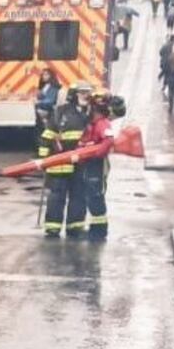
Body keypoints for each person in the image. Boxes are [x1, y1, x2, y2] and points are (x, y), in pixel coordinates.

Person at [38, 82, 91, 239]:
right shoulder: (60, 112)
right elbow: (48, 135)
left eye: (87, 92)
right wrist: (43, 159)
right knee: (57, 196)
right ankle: (52, 228)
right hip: (59, 163)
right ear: (73, 95)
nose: (86, 96)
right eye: (82, 92)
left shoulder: (92, 113)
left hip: (81, 164)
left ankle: (75, 227)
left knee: (79, 196)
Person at [77, 91, 116, 241]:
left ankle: (99, 231)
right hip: (91, 164)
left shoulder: (102, 123)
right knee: (91, 196)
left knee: (96, 196)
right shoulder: (94, 124)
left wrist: (96, 154)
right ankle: (95, 228)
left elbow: (109, 140)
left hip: (97, 165)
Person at [35, 68, 60, 141]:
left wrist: (38, 103)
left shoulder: (53, 87)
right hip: (42, 110)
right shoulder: (46, 86)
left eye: (46, 75)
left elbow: (50, 101)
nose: (44, 76)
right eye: (43, 75)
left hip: (48, 112)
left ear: (51, 76)